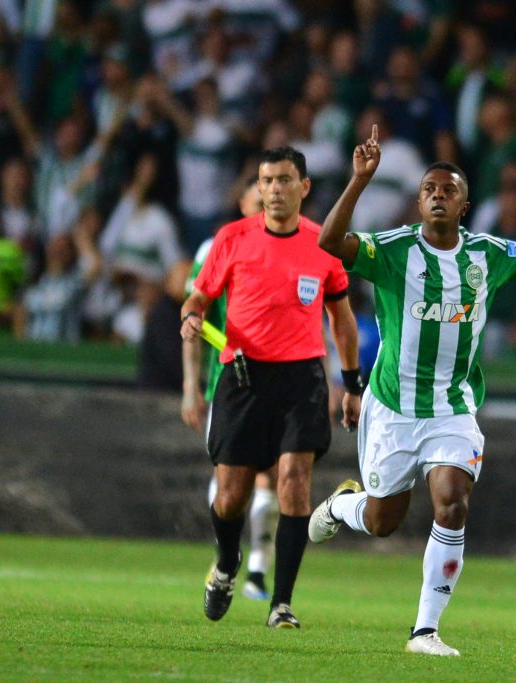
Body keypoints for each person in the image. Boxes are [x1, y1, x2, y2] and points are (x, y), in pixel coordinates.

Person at [309, 125, 516, 656]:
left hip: (452, 409)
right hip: (392, 407)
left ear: (466, 205)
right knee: (382, 522)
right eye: (429, 189)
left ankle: (424, 630)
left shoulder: (487, 255)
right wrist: (359, 181)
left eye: (449, 189)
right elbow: (329, 242)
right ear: (418, 201)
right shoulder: (392, 250)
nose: (438, 195)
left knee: (452, 505)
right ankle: (342, 508)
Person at [179, 146, 362, 629]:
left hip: (301, 377)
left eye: (284, 180)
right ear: (257, 188)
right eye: (267, 181)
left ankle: (281, 602)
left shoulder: (323, 242)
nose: (274, 189)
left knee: (294, 483)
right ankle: (226, 562)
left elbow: (341, 319)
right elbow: (200, 294)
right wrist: (193, 315)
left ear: (303, 187)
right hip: (242, 376)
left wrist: (351, 384)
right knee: (231, 496)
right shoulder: (232, 238)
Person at [181, 180, 280, 601]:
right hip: (228, 382)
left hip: (280, 381)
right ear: (241, 204)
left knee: (274, 476)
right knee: (230, 480)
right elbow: (192, 317)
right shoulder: (216, 248)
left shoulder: (291, 248)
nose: (265, 208)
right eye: (257, 201)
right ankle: (228, 552)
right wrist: (191, 385)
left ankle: (258, 569)